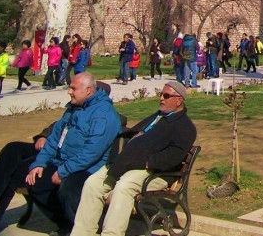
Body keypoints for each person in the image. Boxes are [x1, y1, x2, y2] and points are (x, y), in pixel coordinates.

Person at [71, 81, 197, 236]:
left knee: (124, 186)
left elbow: (172, 158)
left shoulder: (185, 127)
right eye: (160, 94)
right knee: (93, 183)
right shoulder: (158, 116)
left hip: (155, 171)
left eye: (166, 96)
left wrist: (143, 161)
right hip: (129, 164)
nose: (161, 99)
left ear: (179, 100)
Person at [24, 73, 121, 231]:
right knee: (36, 181)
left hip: (91, 168)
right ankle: (64, 223)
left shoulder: (103, 114)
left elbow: (92, 151)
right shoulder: (74, 108)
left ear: (88, 90)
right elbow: (55, 138)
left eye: (73, 88)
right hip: (65, 161)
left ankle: (79, 229)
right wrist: (40, 163)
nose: (69, 91)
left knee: (69, 189)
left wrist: (64, 171)